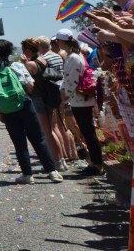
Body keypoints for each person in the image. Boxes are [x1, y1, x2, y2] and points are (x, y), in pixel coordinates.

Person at [0, 39, 63, 184]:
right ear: (10, 52)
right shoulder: (17, 66)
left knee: (19, 142)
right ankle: (52, 171)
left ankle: (27, 175)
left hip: (7, 110)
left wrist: (0, 111)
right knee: (38, 138)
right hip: (25, 105)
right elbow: (29, 85)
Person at [56, 28, 105, 176]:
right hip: (83, 98)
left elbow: (71, 80)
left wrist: (64, 95)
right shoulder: (77, 56)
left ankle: (96, 164)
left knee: (88, 132)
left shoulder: (72, 58)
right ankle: (95, 163)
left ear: (60, 42)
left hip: (79, 100)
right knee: (88, 132)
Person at [20, 37, 69, 172]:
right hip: (50, 97)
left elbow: (29, 85)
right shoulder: (43, 59)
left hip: (39, 98)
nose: (23, 52)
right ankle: (61, 160)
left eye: (23, 49)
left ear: (28, 50)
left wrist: (25, 65)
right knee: (53, 129)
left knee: (47, 132)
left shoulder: (31, 64)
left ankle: (56, 161)